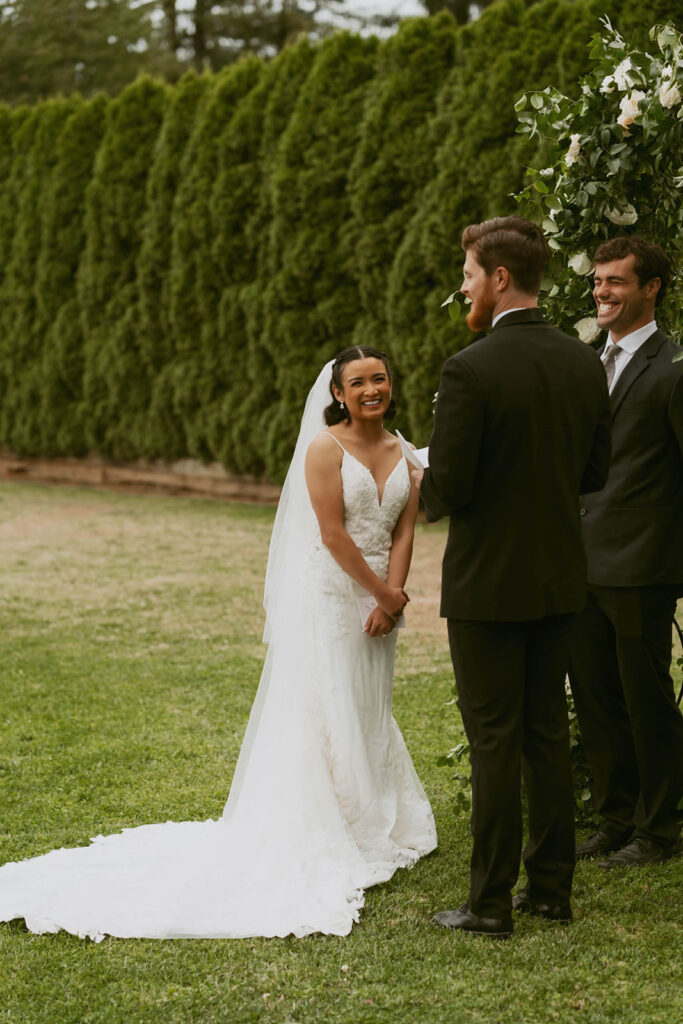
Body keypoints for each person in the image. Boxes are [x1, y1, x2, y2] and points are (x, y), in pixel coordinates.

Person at [0, 347, 436, 940]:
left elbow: (405, 524)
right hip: (333, 598)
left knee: (367, 702)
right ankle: (328, 821)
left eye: (379, 378)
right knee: (326, 703)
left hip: (381, 595)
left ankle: (370, 814)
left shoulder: (402, 448)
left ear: (391, 384)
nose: (370, 390)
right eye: (356, 382)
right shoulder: (323, 449)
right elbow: (333, 535)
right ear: (337, 393)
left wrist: (395, 593)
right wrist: (380, 597)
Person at [419, 215, 611, 938]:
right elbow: (594, 472)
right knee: (541, 738)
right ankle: (552, 891)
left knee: (494, 738)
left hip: (486, 586)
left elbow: (451, 489)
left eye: (468, 273)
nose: (463, 285)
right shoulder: (580, 363)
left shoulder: (467, 369)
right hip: (560, 576)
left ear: (499, 278)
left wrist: (427, 476)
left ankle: (490, 902)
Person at [569, 236, 683, 869]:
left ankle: (660, 829)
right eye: (598, 282)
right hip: (577, 562)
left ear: (650, 287)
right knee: (596, 696)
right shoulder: (586, 361)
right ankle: (615, 818)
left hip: (642, 566)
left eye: (615, 282)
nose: (602, 292)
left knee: (645, 699)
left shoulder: (675, 367)